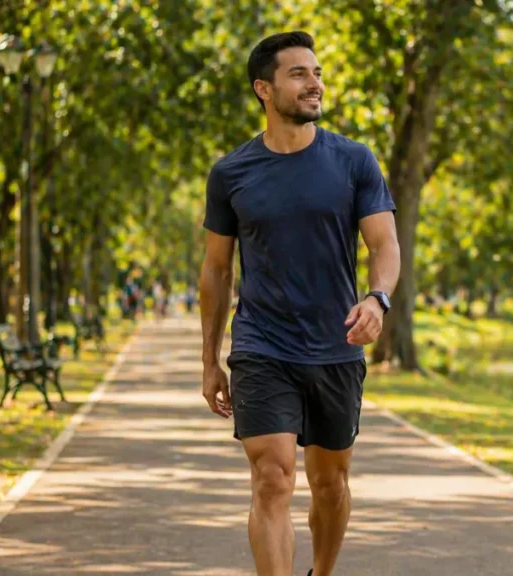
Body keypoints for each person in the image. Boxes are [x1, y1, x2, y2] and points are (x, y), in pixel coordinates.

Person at [198, 31, 400, 576]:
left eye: (316, 73)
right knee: (272, 477)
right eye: (299, 74)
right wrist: (209, 359)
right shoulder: (231, 173)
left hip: (335, 345)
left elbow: (384, 245)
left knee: (330, 485)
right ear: (264, 89)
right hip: (262, 346)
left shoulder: (354, 161)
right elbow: (216, 270)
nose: (315, 83)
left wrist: (377, 300)